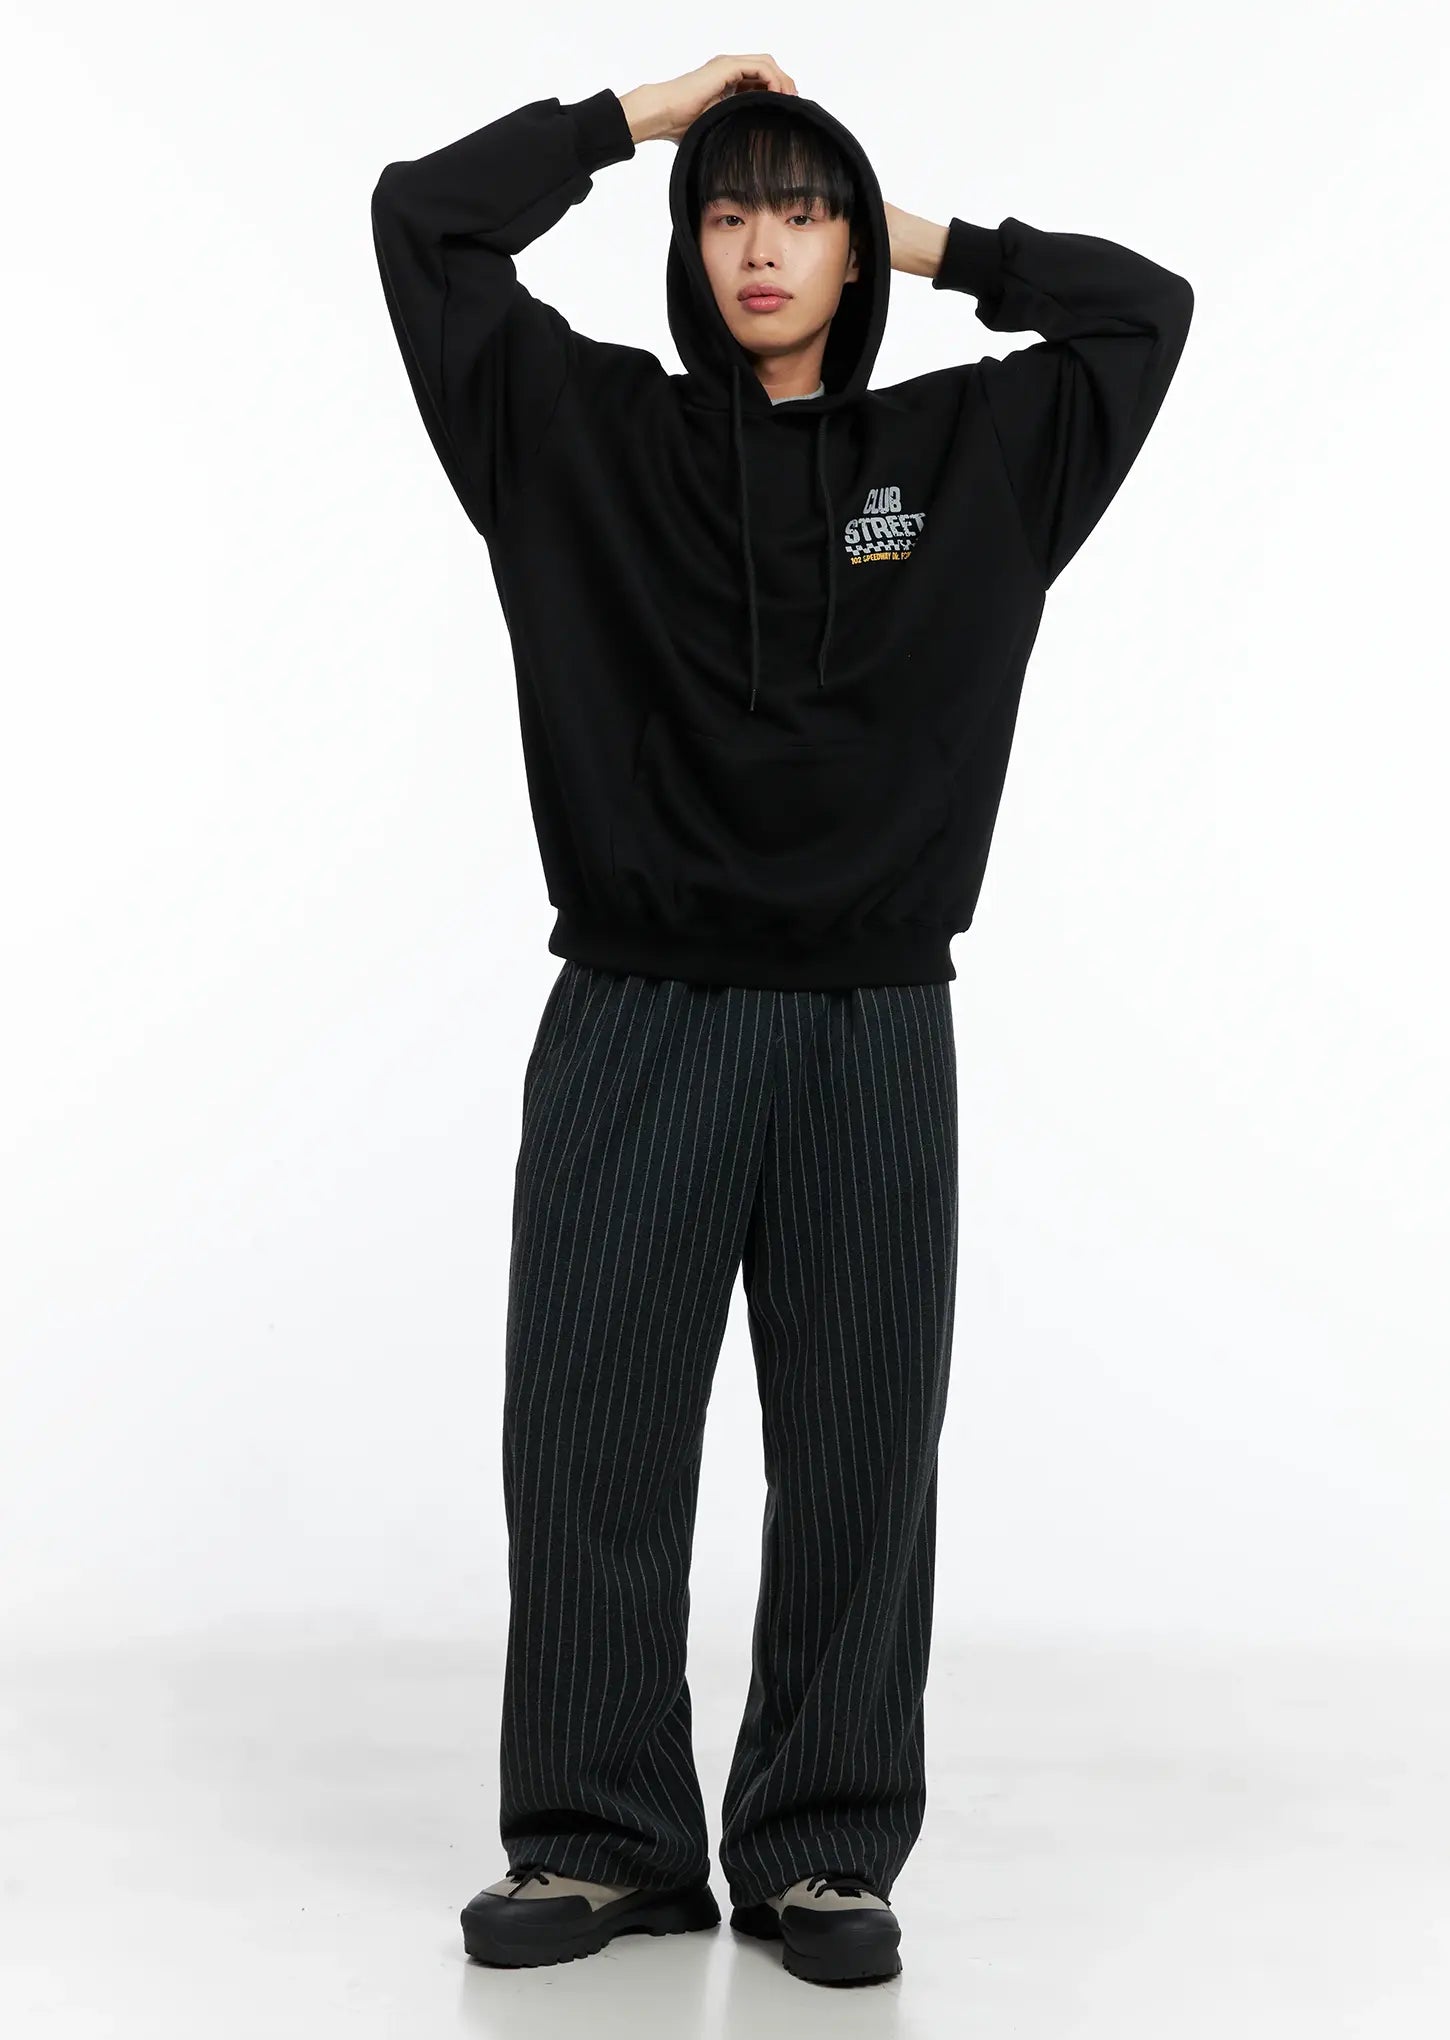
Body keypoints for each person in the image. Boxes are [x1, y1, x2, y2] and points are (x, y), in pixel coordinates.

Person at [370, 53, 1192, 1987]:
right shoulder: (578, 434)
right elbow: (425, 221)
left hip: (873, 1025)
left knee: (858, 1452)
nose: (762, 247)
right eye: (731, 213)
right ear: (686, 241)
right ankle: (601, 1843)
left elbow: (1142, 311)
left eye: (801, 216)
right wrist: (643, 117)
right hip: (635, 1006)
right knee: (589, 1437)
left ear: (850, 252)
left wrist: (919, 233)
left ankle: (823, 1850)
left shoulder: (964, 458)